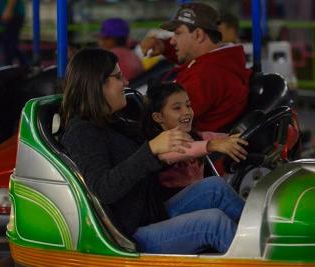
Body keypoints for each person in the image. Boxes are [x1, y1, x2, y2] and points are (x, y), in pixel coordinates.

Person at [60, 48, 245, 254]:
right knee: (214, 223)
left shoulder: (112, 121)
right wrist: (150, 149)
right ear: (98, 84)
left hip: (151, 210)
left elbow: (149, 154)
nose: (126, 83)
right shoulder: (83, 133)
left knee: (215, 188)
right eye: (119, 77)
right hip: (130, 232)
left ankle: (269, 240)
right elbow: (103, 189)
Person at [140, 3, 251, 132]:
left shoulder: (206, 74)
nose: (172, 41)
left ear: (198, 34)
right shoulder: (222, 59)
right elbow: (190, 55)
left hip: (191, 147)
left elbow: (164, 122)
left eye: (178, 33)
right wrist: (163, 46)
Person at [141, 81, 248, 198]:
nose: (187, 112)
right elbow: (183, 150)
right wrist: (212, 145)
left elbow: (223, 138)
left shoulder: (195, 137)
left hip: (200, 195)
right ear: (158, 117)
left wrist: (240, 137)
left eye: (188, 105)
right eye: (177, 108)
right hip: (174, 203)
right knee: (216, 186)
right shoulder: (159, 147)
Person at [0, 0, 27, 66]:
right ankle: (25, 66)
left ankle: (9, 66)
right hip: (9, 14)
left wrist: (8, 10)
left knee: (9, 43)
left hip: (13, 15)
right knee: (10, 43)